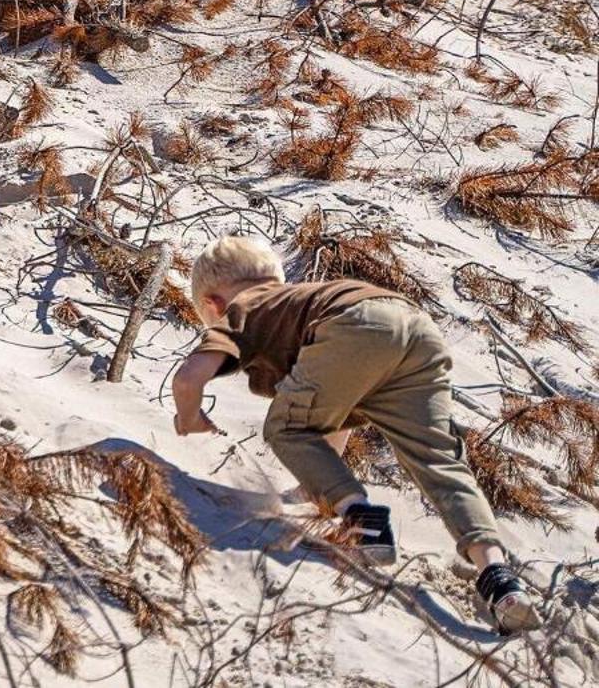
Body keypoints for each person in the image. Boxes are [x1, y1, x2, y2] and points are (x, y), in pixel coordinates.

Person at [170, 235, 542, 634]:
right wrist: (317, 488)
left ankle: (363, 518)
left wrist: (189, 417)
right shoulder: (301, 301)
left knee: (283, 425)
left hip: (355, 327)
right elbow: (332, 423)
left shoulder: (243, 308)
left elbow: (189, 379)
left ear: (212, 304)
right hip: (416, 330)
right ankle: (499, 579)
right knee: (439, 461)